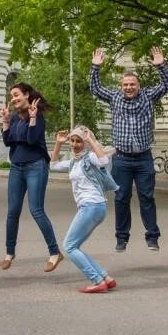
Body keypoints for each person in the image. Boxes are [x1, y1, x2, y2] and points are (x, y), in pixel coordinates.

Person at [90, 46, 168, 252]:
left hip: (143, 158)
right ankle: (122, 238)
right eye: (125, 84)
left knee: (147, 197)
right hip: (122, 159)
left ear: (139, 85)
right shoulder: (114, 97)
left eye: (132, 84)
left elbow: (167, 85)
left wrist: (161, 65)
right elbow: (95, 89)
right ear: (121, 86)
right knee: (121, 198)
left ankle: (152, 236)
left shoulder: (148, 95)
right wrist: (96, 67)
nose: (128, 87)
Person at [0, 82, 62, 272]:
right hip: (16, 168)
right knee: (12, 212)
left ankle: (55, 253)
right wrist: (5, 121)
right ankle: (9, 253)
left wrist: (33, 118)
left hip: (36, 166)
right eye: (12, 96)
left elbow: (31, 139)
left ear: (26, 95)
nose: (14, 99)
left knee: (36, 210)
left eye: (17, 95)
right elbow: (7, 141)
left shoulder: (38, 115)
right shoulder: (15, 118)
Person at [50, 126, 118, 294]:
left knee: (69, 246)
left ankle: (97, 280)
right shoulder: (74, 161)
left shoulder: (91, 157)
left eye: (78, 141)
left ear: (85, 143)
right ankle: (105, 278)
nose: (74, 144)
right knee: (75, 246)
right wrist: (58, 144)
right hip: (93, 207)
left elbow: (104, 161)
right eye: (72, 141)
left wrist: (90, 141)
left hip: (92, 205)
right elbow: (54, 165)